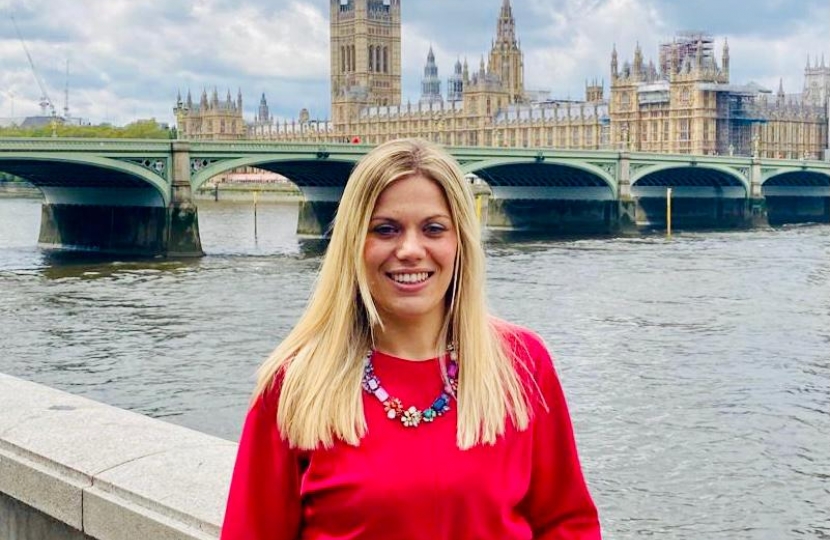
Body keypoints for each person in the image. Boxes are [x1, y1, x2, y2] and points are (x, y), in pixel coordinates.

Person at [220, 138, 601, 539]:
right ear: (352, 243)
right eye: (385, 230)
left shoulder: (522, 363)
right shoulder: (295, 384)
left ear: (460, 242)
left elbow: (567, 523)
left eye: (433, 229)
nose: (410, 250)